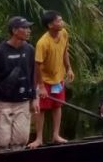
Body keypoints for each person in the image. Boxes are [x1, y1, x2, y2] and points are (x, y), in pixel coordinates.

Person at [0, 16, 39, 150]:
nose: (28, 31)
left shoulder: (30, 49)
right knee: (3, 141)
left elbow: (34, 75)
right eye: (25, 28)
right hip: (3, 102)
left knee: (21, 140)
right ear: (14, 31)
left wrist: (35, 97)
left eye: (29, 28)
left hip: (23, 101)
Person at [28, 11, 74, 148]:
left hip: (58, 79)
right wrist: (41, 86)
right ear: (50, 25)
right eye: (58, 21)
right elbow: (37, 65)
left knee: (57, 106)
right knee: (41, 109)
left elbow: (65, 51)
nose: (62, 22)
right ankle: (39, 138)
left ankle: (56, 135)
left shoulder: (64, 33)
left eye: (61, 20)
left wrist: (69, 68)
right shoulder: (43, 42)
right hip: (44, 80)